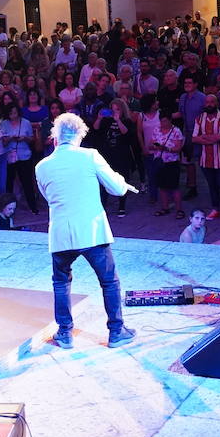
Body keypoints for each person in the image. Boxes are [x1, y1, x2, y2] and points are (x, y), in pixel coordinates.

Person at [34, 113, 138, 350]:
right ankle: (116, 331)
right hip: (91, 232)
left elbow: (47, 196)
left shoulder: (42, 166)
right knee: (109, 282)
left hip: (61, 233)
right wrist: (124, 185)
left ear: (55, 138)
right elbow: (115, 188)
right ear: (79, 136)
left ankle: (65, 333)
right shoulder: (90, 156)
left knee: (61, 282)